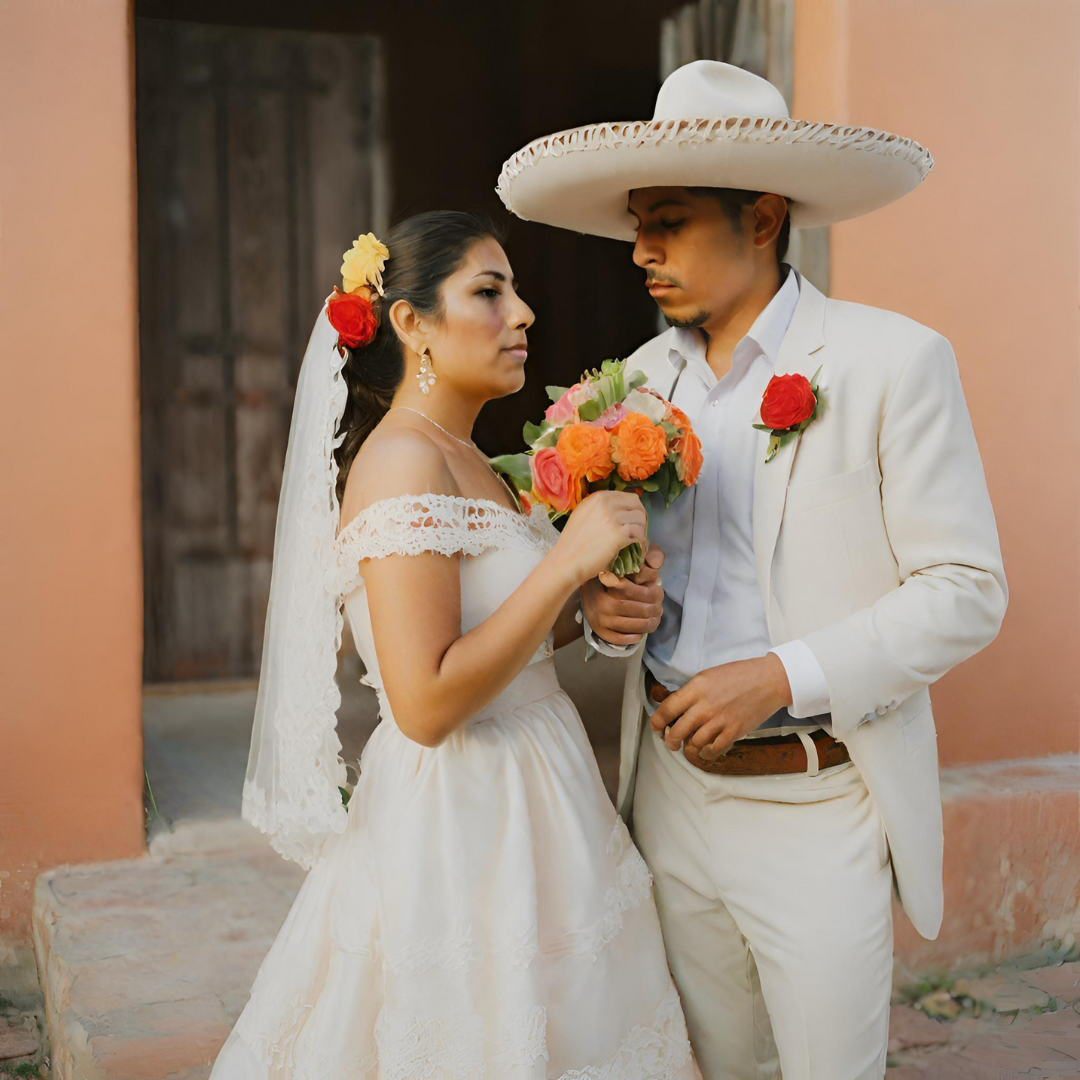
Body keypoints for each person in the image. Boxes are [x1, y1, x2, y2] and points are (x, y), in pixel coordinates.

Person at [497, 61, 1008, 1079]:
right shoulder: (629, 386)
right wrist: (609, 611)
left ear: (764, 217)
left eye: (671, 219)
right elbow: (628, 595)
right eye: (639, 221)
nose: (640, 249)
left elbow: (966, 590)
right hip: (671, 800)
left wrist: (782, 675)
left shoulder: (889, 363)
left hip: (819, 800)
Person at [210, 210, 700, 1078]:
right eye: (488, 291)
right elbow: (426, 702)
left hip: (541, 794)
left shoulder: (468, 459)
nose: (524, 314)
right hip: (462, 822)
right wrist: (566, 566)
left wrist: (590, 604)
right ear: (411, 324)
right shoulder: (402, 462)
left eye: (513, 291)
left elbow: (502, 632)